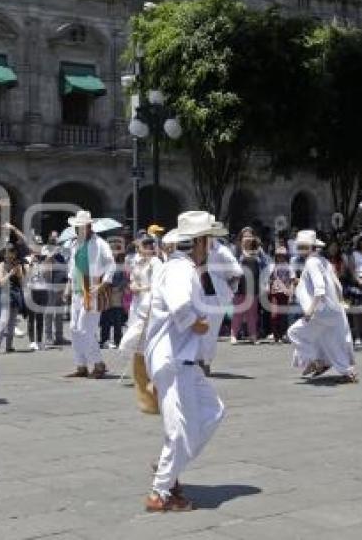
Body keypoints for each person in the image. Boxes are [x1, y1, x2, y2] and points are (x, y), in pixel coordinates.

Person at [144, 211, 225, 512]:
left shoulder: (181, 267)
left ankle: (170, 465)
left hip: (182, 359)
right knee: (178, 430)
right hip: (174, 359)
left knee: (213, 411)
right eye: (210, 241)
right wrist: (197, 324)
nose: (213, 248)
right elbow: (180, 308)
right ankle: (160, 493)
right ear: (200, 242)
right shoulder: (180, 269)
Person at [288, 230, 358, 383]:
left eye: (302, 246)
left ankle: (318, 361)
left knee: (294, 332)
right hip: (332, 309)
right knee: (329, 339)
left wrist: (310, 310)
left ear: (311, 247)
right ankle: (346, 371)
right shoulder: (324, 261)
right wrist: (341, 303)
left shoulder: (312, 262)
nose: (300, 249)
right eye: (300, 246)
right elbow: (337, 285)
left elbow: (320, 288)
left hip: (321, 310)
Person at [64, 210, 115, 379]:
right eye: (77, 227)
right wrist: (68, 286)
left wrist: (103, 283)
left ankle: (99, 364)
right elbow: (72, 267)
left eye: (81, 226)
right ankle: (81, 365)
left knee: (85, 329)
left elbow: (111, 265)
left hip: (93, 291)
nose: (79, 230)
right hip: (78, 291)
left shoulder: (100, 243)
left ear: (89, 226)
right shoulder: (74, 244)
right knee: (74, 329)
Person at [198, 224, 241, 375]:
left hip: (216, 297)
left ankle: (206, 361)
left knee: (210, 331)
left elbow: (237, 272)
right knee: (198, 329)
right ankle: (198, 360)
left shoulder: (222, 250)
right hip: (200, 294)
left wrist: (227, 287)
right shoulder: (198, 249)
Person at [231, 236, 264, 345]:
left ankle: (253, 336)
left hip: (253, 287)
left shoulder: (258, 252)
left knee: (252, 314)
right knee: (238, 313)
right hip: (240, 286)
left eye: (250, 240)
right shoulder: (237, 252)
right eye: (245, 240)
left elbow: (262, 264)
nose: (248, 241)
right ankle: (233, 336)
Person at [0, 244, 24, 353]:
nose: (11, 255)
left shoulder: (17, 265)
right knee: (4, 319)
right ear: (4, 254)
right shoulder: (0, 266)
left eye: (13, 252)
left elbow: (21, 283)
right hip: (5, 294)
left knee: (12, 322)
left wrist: (20, 274)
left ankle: (9, 346)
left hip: (15, 294)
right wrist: (10, 273)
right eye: (8, 253)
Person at [263, 246, 293, 344]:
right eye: (278, 256)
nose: (280, 257)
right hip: (275, 293)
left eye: (283, 256)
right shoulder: (272, 266)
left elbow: (292, 281)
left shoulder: (289, 267)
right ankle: (276, 336)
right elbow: (268, 279)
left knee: (283, 316)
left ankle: (281, 335)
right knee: (274, 315)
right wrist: (267, 287)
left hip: (285, 293)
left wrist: (291, 294)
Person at [100, 251, 128, 349]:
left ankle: (116, 340)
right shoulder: (106, 267)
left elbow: (125, 281)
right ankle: (105, 340)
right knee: (108, 319)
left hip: (114, 296)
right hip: (108, 295)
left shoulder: (119, 267)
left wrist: (117, 288)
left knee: (115, 320)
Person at [25, 248, 50, 351]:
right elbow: (26, 274)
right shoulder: (26, 260)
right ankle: (32, 341)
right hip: (31, 291)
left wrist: (45, 264)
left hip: (43, 290)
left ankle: (39, 341)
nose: (37, 253)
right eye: (35, 251)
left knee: (40, 317)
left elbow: (48, 275)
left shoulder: (43, 262)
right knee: (31, 318)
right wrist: (31, 263)